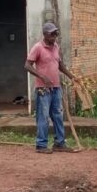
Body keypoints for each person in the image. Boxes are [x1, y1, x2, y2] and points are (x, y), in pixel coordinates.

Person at [24, 22, 78, 154]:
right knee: (43, 117)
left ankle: (59, 143)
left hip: (56, 88)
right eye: (52, 34)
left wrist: (72, 77)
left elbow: (60, 66)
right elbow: (27, 65)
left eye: (56, 34)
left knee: (58, 116)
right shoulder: (37, 47)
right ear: (45, 34)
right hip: (43, 89)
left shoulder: (56, 47)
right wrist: (42, 77)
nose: (55, 36)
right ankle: (41, 145)